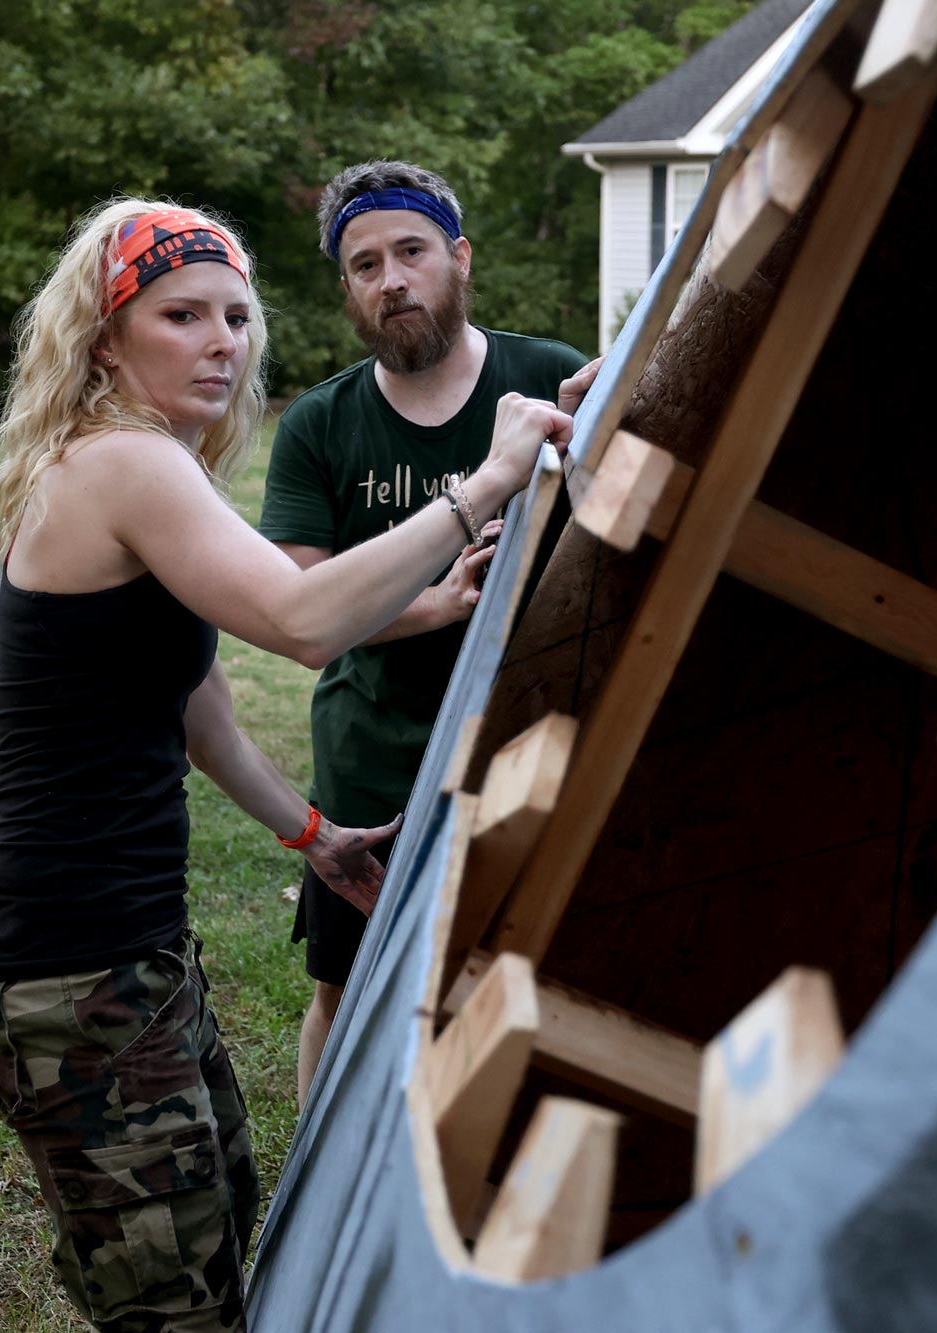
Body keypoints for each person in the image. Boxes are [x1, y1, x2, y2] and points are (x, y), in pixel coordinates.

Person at [0, 198, 572, 1331]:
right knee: (178, 1310)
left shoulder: (139, 464)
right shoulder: (123, 463)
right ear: (103, 336)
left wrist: (311, 833)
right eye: (182, 314)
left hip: (126, 961)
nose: (221, 340)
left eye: (236, 316)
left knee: (226, 1241)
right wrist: (482, 485)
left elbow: (199, 709)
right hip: (64, 973)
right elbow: (301, 618)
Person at [256, 160, 599, 1104]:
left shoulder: (549, 378)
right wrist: (440, 604)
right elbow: (299, 601)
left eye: (410, 251)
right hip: (376, 758)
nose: (391, 278)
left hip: (532, 742)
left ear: (459, 257)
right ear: (349, 290)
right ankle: (312, 1199)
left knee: (535, 973)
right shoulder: (321, 425)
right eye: (364, 264)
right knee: (346, 988)